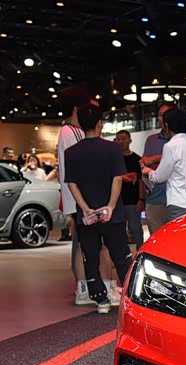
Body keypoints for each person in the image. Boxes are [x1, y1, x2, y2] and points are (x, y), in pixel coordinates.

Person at [64, 104, 132, 314]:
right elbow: (117, 179)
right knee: (121, 257)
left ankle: (101, 300)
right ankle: (130, 300)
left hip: (86, 216)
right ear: (99, 124)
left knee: (91, 257)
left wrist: (85, 209)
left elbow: (71, 183)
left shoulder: (71, 152)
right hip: (113, 214)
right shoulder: (112, 149)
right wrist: (110, 206)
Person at [141, 108, 186, 222]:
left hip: (178, 204)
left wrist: (148, 171)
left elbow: (159, 177)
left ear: (166, 126)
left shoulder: (170, 146)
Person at [140, 102, 175, 235]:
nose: (163, 118)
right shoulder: (151, 140)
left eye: (166, 114)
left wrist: (154, 159)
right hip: (155, 199)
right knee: (156, 242)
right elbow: (145, 166)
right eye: (160, 115)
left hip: (179, 202)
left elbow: (181, 162)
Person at [114, 129, 145, 251]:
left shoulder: (137, 159)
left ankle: (140, 251)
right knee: (119, 230)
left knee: (135, 228)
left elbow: (141, 181)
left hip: (132, 200)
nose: (121, 142)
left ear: (130, 140)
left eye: (123, 139)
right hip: (116, 200)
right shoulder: (114, 159)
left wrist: (141, 199)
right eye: (118, 139)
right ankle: (122, 254)